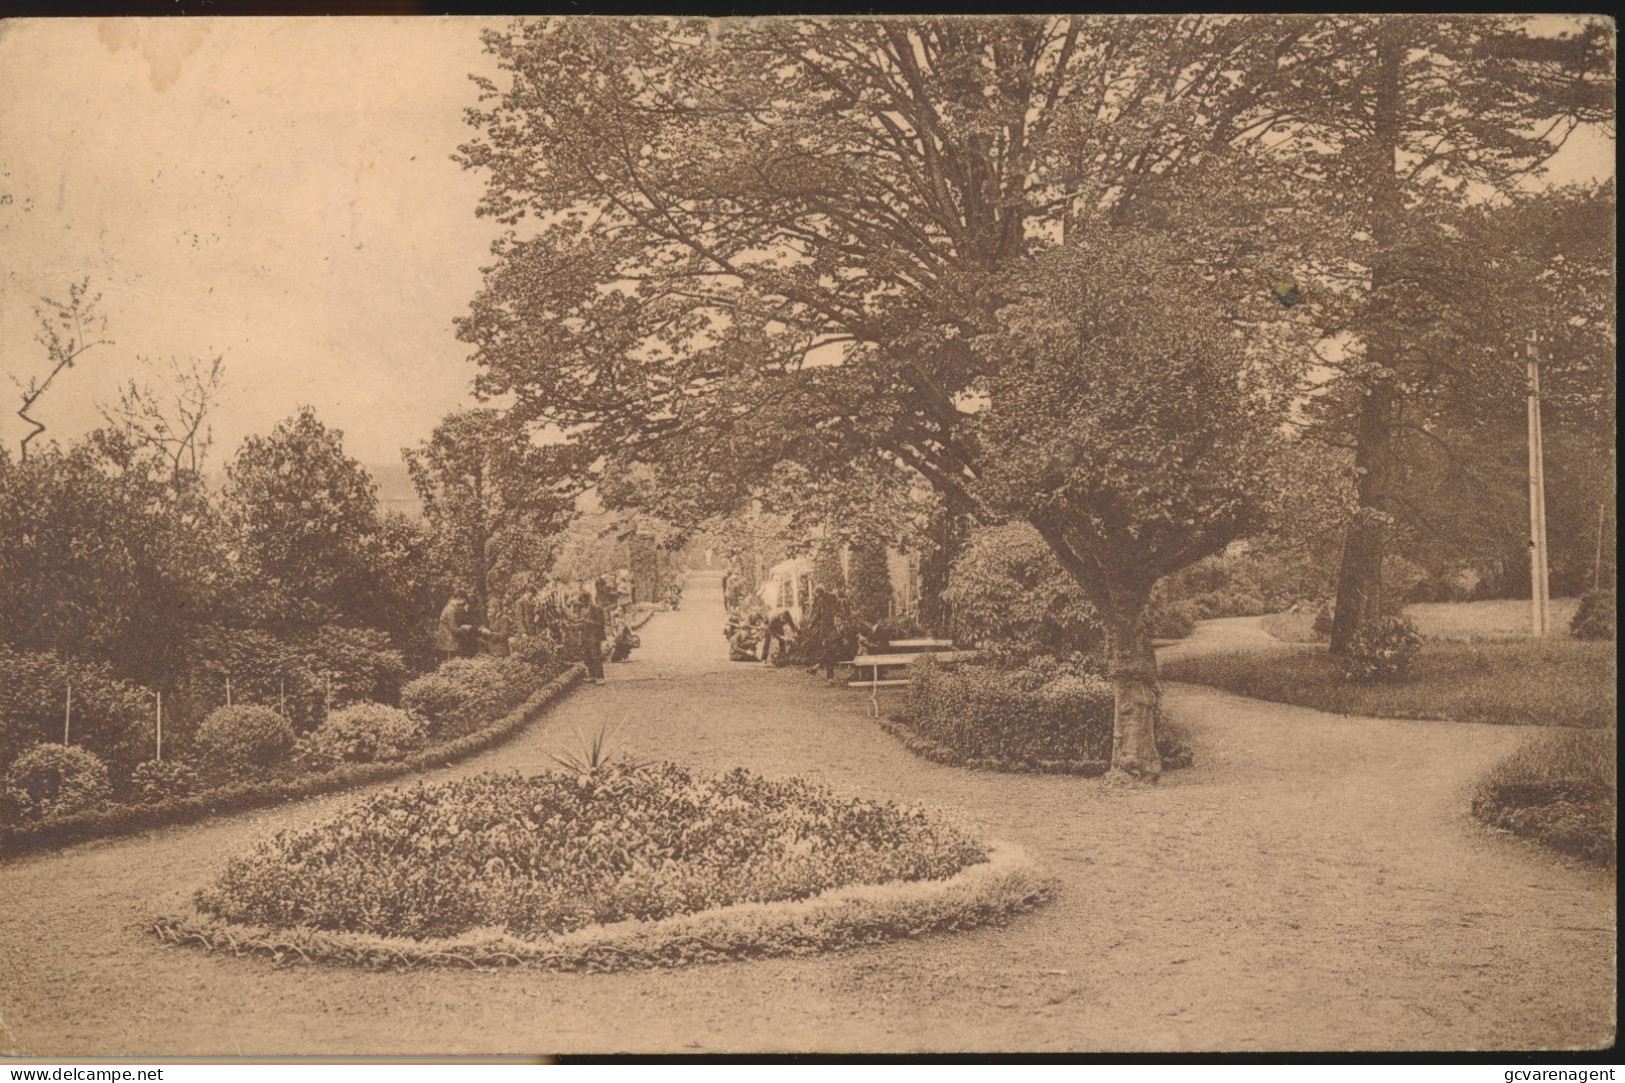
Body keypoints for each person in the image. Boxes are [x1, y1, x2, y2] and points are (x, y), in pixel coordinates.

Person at [435, 590, 484, 660]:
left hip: (448, 641)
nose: (464, 603)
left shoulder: (452, 608)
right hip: (447, 642)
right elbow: (453, 629)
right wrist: (466, 629)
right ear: (460, 599)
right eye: (464, 600)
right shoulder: (451, 609)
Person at [570, 592, 607, 685]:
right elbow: (582, 624)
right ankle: (592, 675)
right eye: (581, 602)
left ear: (588, 600)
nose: (582, 603)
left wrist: (587, 621)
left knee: (596, 656)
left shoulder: (597, 609)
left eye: (584, 601)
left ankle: (599, 677)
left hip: (594, 636)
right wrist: (574, 626)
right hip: (585, 636)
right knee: (587, 656)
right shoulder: (582, 610)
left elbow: (600, 623)